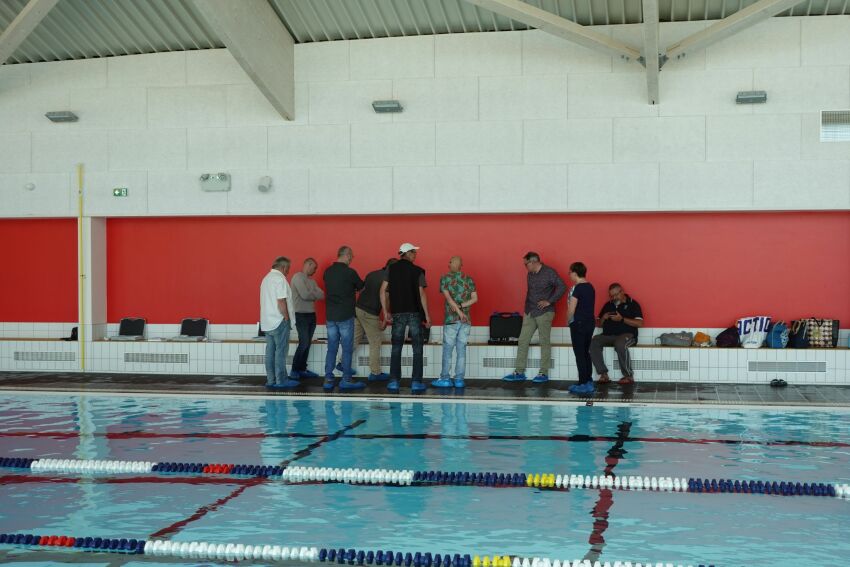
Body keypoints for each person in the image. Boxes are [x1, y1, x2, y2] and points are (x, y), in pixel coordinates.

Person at [503, 252, 566, 384]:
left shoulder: (549, 272)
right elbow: (530, 292)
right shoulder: (529, 274)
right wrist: (526, 309)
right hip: (530, 312)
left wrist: (549, 301)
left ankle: (543, 372)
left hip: (545, 312)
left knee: (544, 341)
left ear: (533, 262)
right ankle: (519, 372)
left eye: (526, 264)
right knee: (523, 340)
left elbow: (562, 286)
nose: (525, 266)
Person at [381, 242, 431, 394]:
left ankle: (394, 382)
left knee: (396, 348)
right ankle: (416, 382)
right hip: (414, 313)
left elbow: (382, 290)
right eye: (414, 252)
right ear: (407, 253)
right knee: (417, 348)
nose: (415, 255)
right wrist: (427, 316)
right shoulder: (418, 271)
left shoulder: (391, 269)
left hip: (397, 313)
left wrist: (385, 312)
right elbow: (421, 293)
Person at [338, 258, 397, 382]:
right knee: (375, 341)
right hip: (369, 312)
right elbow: (386, 298)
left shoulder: (372, 274)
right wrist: (385, 320)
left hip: (358, 308)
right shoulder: (389, 279)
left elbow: (361, 290)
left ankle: (342, 363)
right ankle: (375, 373)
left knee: (354, 338)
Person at [322, 246, 365, 392]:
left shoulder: (327, 271)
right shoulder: (350, 272)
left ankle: (328, 378)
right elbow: (361, 286)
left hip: (330, 316)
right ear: (346, 255)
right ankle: (346, 379)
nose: (351, 260)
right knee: (346, 349)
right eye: (351, 257)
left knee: (331, 348)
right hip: (345, 315)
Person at [433, 256, 477, 389]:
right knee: (461, 350)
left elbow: (449, 300)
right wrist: (463, 308)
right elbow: (475, 299)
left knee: (448, 350)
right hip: (466, 321)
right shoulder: (469, 279)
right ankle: (459, 380)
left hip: (451, 320)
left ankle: (445, 379)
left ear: (455, 264)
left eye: (450, 261)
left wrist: (459, 313)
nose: (448, 263)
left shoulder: (445, 278)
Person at [590, 283, 643, 386]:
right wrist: (603, 318)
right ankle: (603, 374)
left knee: (620, 343)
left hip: (627, 335)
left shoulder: (633, 304)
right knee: (594, 341)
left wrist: (622, 319)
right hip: (608, 335)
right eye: (611, 296)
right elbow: (598, 324)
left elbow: (639, 323)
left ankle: (628, 376)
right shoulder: (608, 305)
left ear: (622, 292)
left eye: (616, 295)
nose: (614, 298)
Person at [259, 256, 298, 389]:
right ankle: (281, 381)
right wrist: (286, 317)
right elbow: (281, 302)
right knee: (280, 352)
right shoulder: (279, 279)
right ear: (284, 267)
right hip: (279, 320)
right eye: (288, 269)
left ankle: (271, 380)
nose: (288, 272)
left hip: (267, 322)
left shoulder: (265, 279)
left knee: (270, 352)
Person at [290, 258, 324, 379]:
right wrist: (313, 293)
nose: (315, 271)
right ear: (308, 264)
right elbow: (304, 295)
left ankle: (302, 369)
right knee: (303, 343)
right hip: (301, 315)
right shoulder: (297, 277)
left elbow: (322, 295)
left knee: (307, 343)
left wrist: (311, 292)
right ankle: (294, 370)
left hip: (311, 315)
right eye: (314, 268)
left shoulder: (312, 281)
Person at [566, 262, 596, 396]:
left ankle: (583, 383)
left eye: (570, 272)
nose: (569, 275)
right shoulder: (590, 287)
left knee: (579, 354)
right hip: (589, 323)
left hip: (578, 324)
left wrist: (568, 321)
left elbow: (571, 309)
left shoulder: (577, 288)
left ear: (574, 272)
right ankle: (588, 381)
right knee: (585, 352)